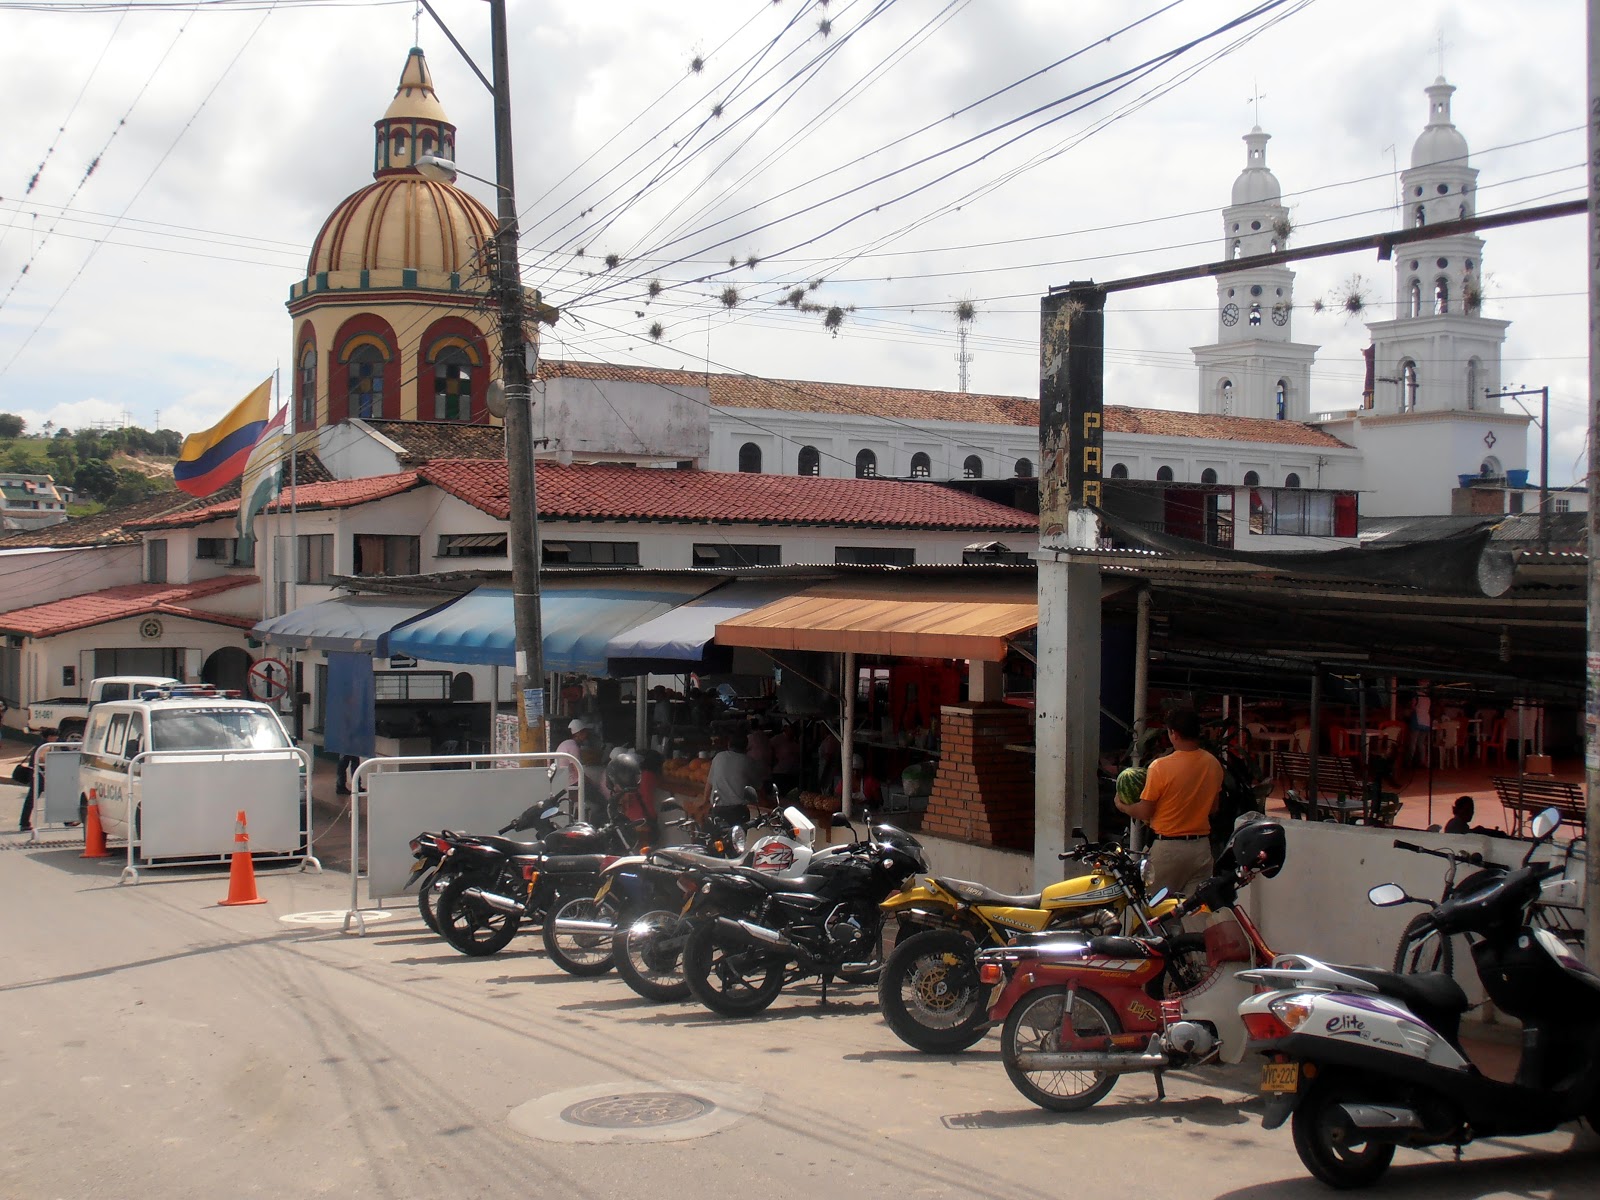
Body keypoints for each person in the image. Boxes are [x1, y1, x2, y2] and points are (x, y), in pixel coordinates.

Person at [1117, 709, 1223, 903]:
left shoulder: (1160, 767)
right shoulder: (1213, 764)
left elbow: (1145, 811)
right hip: (1201, 849)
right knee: (1197, 912)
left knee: (1151, 910)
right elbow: (1213, 808)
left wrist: (1122, 805)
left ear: (1173, 733)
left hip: (1168, 849)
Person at [705, 729, 764, 823]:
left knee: (718, 836)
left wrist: (705, 803)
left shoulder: (719, 757)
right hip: (737, 811)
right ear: (746, 747)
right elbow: (758, 787)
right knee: (739, 836)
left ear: (728, 744)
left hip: (717, 809)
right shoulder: (748, 762)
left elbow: (709, 785)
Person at [17, 731, 58, 833]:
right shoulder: (44, 746)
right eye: (55, 736)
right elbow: (42, 760)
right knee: (34, 798)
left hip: (37, 774)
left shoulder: (41, 744)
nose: (57, 738)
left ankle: (24, 822)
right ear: (50, 736)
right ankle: (24, 822)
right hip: (39, 775)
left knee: (34, 798)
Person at [555, 717, 606, 796]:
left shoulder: (566, 744)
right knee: (598, 797)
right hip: (571, 783)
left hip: (562, 782)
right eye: (584, 732)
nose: (586, 734)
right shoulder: (573, 747)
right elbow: (578, 770)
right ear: (578, 733)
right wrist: (592, 783)